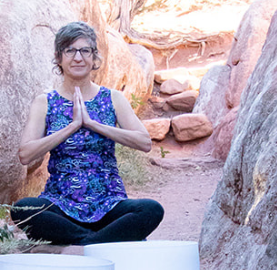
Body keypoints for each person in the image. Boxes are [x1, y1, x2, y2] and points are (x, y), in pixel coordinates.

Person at [11, 21, 164, 246]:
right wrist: (71, 127)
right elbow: (25, 154)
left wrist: (93, 124)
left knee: (151, 210)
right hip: (60, 203)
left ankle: (83, 240)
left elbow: (144, 142)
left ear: (94, 57)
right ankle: (97, 241)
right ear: (59, 57)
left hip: (109, 203)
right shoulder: (45, 102)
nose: (78, 58)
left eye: (85, 50)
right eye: (70, 51)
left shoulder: (113, 98)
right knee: (23, 209)